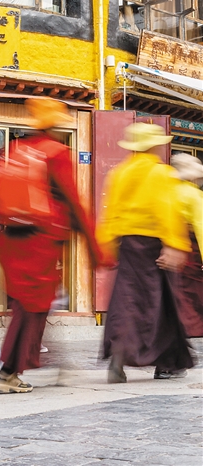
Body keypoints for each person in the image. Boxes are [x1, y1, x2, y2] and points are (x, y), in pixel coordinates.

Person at [0, 98, 103, 394]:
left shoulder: (16, 150)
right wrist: (94, 247)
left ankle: (25, 366)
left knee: (28, 305)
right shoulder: (56, 153)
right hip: (39, 240)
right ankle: (8, 372)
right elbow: (73, 201)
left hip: (11, 238)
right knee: (33, 307)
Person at [98, 123, 194, 382]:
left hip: (128, 244)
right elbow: (166, 210)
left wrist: (107, 244)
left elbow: (110, 211)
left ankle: (118, 356)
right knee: (161, 304)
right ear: (153, 146)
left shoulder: (120, 173)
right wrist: (173, 245)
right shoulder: (161, 173)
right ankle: (167, 364)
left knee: (126, 301)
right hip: (155, 245)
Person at [169, 153, 203, 337]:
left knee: (179, 291)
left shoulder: (168, 192)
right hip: (191, 249)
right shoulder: (194, 195)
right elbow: (201, 227)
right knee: (194, 292)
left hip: (171, 247)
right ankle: (191, 327)